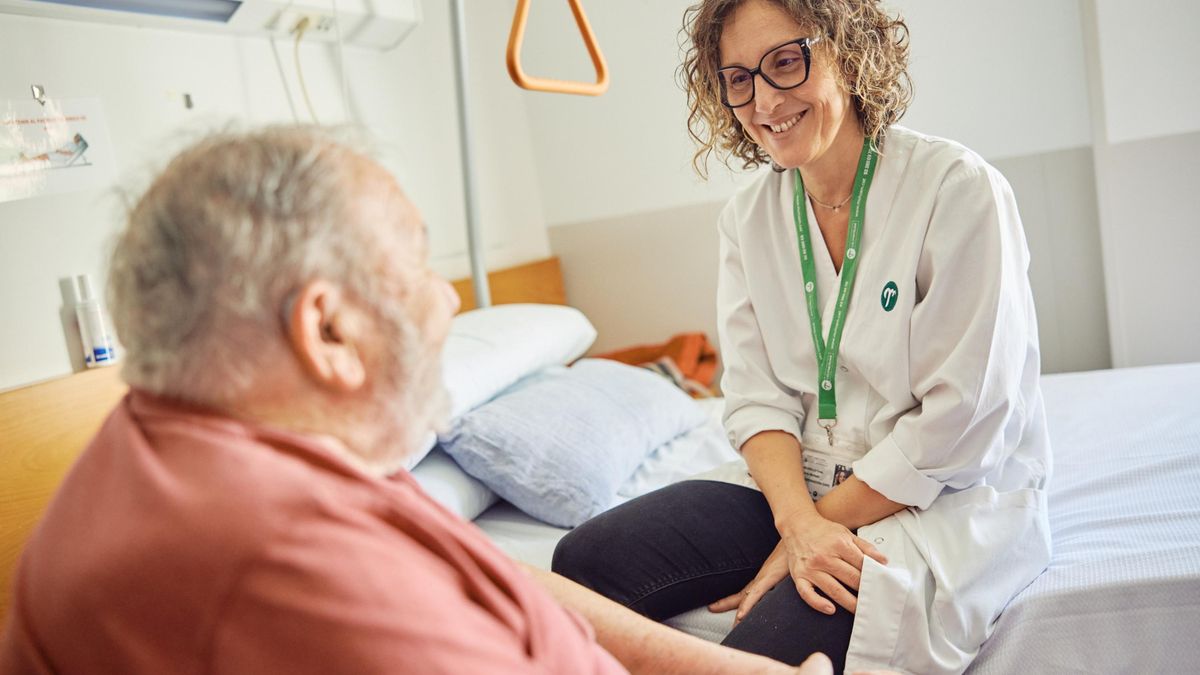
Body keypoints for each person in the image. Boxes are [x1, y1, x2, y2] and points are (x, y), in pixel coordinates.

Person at [0, 127, 834, 675]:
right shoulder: (284, 566)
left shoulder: (224, 442)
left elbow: (491, 572)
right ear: (328, 330)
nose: (445, 300)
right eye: (417, 266)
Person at [551, 1, 1052, 673]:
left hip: (932, 499)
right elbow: (756, 400)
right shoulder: (748, 219)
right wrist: (798, 523)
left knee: (765, 653)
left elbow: (962, 422)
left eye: (786, 62)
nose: (764, 102)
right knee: (582, 563)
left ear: (849, 50)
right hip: (800, 487)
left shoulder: (956, 191)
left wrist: (814, 531)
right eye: (739, 79)